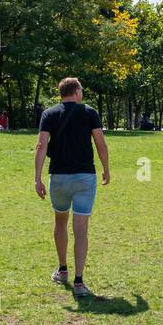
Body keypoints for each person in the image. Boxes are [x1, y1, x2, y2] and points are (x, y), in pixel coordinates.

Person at [34, 77, 110, 299]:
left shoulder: (49, 114)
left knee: (60, 222)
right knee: (81, 229)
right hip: (85, 177)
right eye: (82, 90)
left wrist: (37, 178)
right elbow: (101, 145)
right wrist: (106, 169)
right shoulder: (89, 112)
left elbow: (41, 146)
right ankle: (79, 281)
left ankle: (62, 269)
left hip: (58, 177)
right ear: (76, 91)